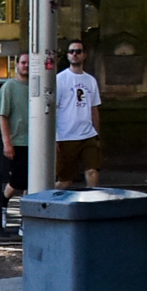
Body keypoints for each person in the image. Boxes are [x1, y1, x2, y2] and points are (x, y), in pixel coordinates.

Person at [53, 40, 103, 187]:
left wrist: (97, 134)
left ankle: (91, 203)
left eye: (78, 51)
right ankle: (47, 200)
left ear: (84, 55)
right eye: (71, 51)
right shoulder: (60, 79)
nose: (75, 54)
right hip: (66, 135)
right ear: (68, 55)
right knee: (65, 181)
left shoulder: (91, 80)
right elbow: (53, 109)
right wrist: (54, 137)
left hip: (88, 135)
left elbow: (94, 108)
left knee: (92, 171)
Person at [0, 53, 32, 220]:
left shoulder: (38, 87)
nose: (26, 66)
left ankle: (27, 216)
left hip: (36, 141)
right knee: (18, 180)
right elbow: (3, 115)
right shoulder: (9, 87)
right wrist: (7, 142)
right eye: (23, 62)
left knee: (33, 181)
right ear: (17, 65)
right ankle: (3, 202)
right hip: (18, 141)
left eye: (29, 63)